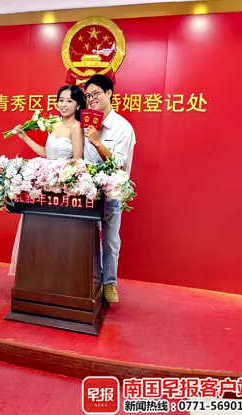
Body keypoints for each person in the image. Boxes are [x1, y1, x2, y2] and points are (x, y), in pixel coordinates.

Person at [8, 85, 86, 276]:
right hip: (44, 185)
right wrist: (24, 137)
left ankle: (60, 275)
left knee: (59, 235)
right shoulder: (53, 123)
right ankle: (38, 274)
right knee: (40, 233)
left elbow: (78, 160)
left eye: (69, 101)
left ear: (78, 105)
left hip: (63, 187)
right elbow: (45, 153)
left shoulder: (77, 127)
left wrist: (57, 170)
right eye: (61, 100)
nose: (64, 104)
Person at [83, 74, 136, 304]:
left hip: (112, 193)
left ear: (109, 94)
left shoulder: (122, 127)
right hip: (87, 192)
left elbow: (118, 164)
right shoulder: (86, 124)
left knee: (111, 239)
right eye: (88, 96)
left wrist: (97, 142)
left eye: (95, 94)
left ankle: (109, 283)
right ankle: (93, 279)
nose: (91, 99)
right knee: (88, 237)